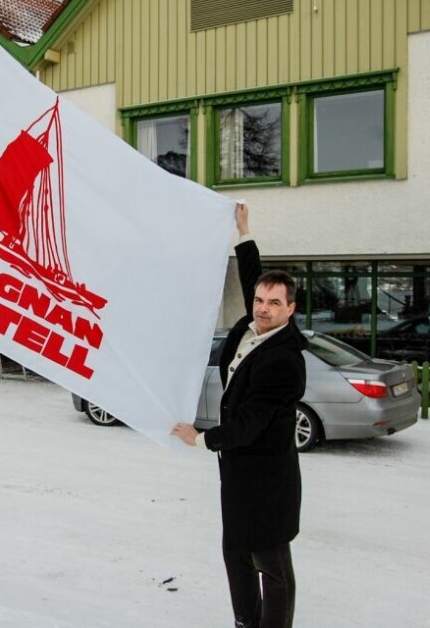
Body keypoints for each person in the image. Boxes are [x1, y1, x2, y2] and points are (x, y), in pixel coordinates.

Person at [172, 204, 306, 628]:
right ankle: (245, 622)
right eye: (259, 300)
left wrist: (201, 438)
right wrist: (244, 235)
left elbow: (249, 424)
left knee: (270, 564)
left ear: (291, 309)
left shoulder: (283, 360)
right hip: (238, 474)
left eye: (274, 303)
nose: (263, 308)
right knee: (236, 556)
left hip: (267, 480)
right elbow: (256, 281)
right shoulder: (254, 324)